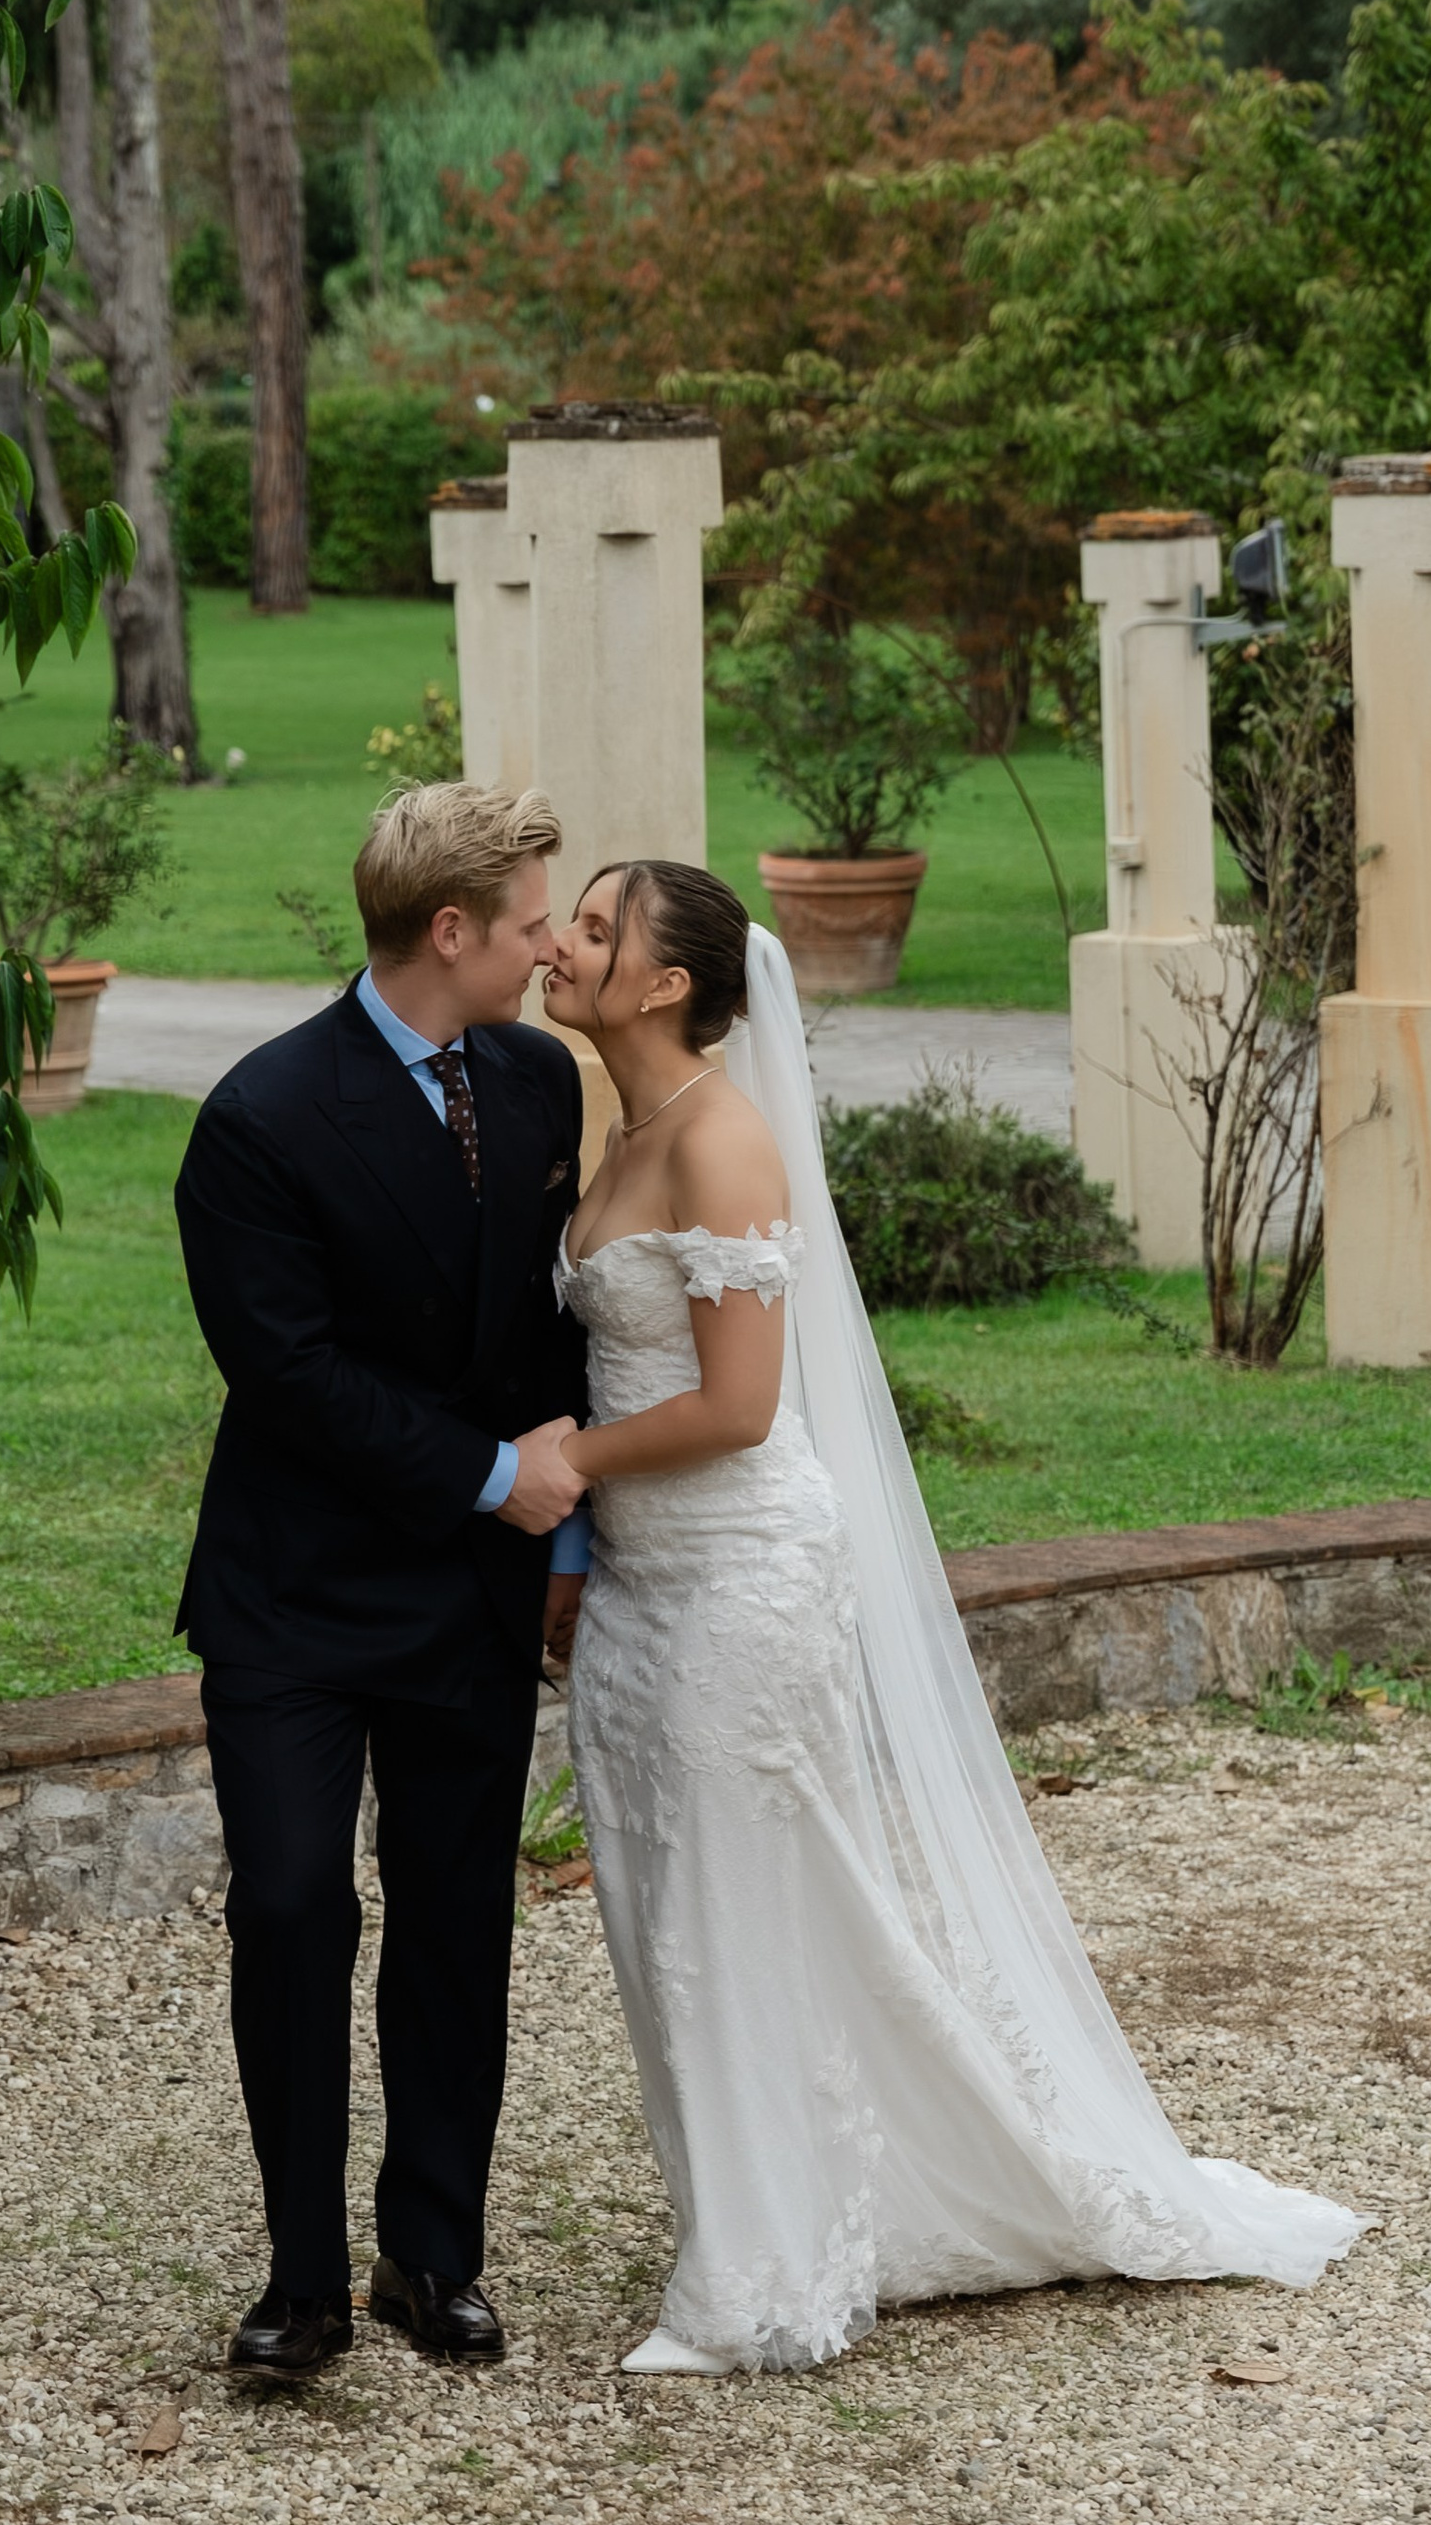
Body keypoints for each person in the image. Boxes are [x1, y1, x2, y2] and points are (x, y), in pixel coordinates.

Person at [535, 857, 1364, 2375]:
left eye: (596, 929)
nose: (562, 945)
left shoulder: (721, 1144)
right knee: (677, 1909)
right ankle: (796, 2196)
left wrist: (568, 1464)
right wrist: (583, 1552)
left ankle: (758, 2279)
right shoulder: (622, 1127)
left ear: (665, 984)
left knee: (741, 1900)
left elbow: (736, 1404)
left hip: (743, 1575)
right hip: (646, 1585)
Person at [172, 782, 593, 2377]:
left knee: (455, 1918)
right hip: (294, 1599)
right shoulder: (261, 1117)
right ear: (450, 931)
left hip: (473, 1600)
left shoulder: (543, 1082)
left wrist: (558, 1541)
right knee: (290, 1910)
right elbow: (289, 1373)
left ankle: (433, 2255)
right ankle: (301, 2282)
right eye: (533, 918)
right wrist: (498, 1480)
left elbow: (550, 1334)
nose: (551, 945)